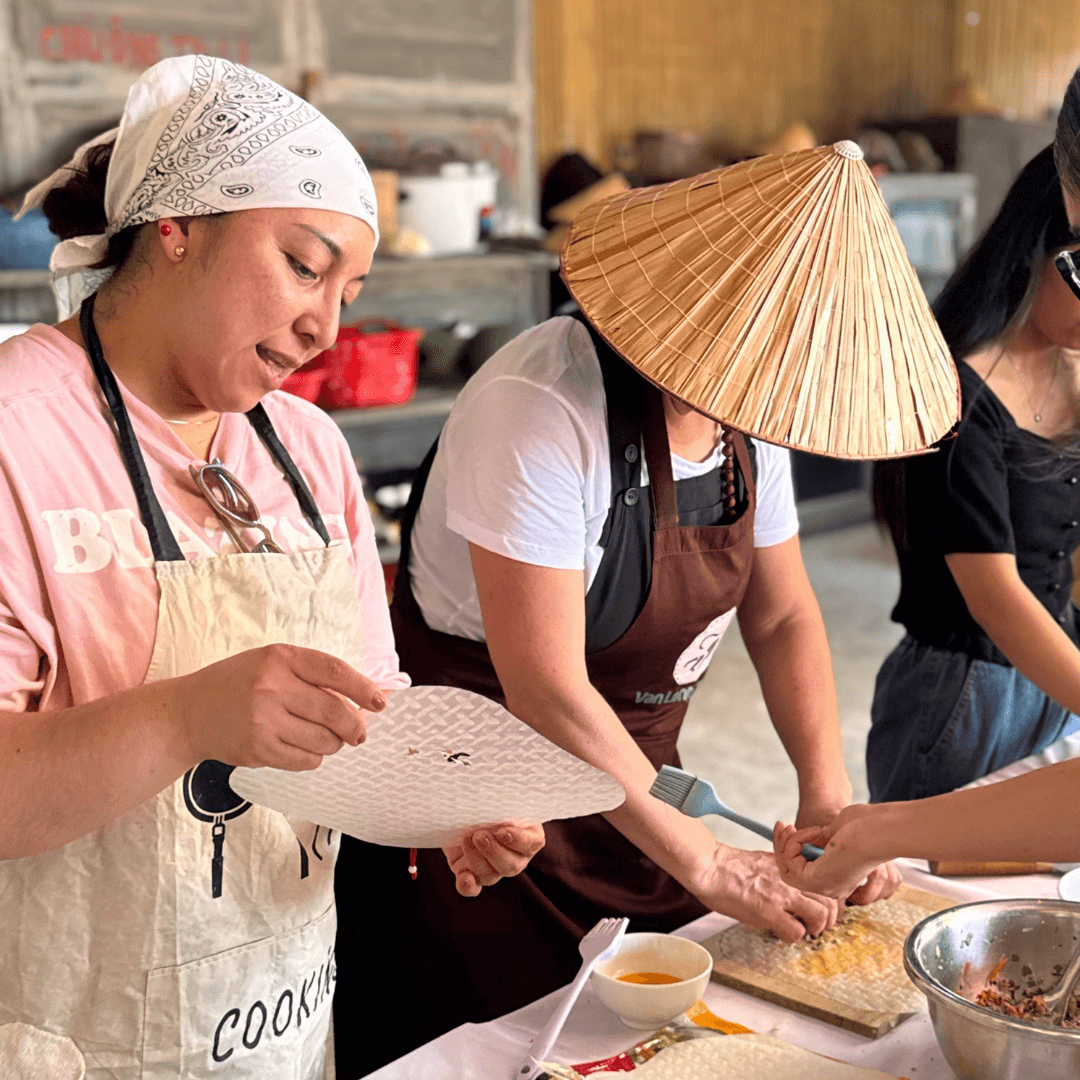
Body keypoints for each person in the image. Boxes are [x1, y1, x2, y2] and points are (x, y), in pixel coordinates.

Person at [0, 55, 541, 1080]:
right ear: (176, 227)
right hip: (72, 1037)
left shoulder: (303, 446)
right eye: (303, 264)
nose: (325, 327)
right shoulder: (18, 435)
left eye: (350, 290)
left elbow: (370, 714)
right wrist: (182, 717)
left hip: (277, 1026)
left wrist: (443, 807)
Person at [334, 151, 911, 1073]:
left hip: (633, 787)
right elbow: (548, 687)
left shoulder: (750, 407)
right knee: (495, 1044)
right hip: (487, 805)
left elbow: (784, 615)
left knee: (649, 1041)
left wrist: (825, 794)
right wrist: (709, 863)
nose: (762, 391)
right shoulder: (545, 400)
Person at [866, 143, 1080, 805]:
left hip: (1056, 664)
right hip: (965, 692)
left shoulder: (1072, 368)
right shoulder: (952, 391)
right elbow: (993, 595)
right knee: (926, 886)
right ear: (1034, 244)